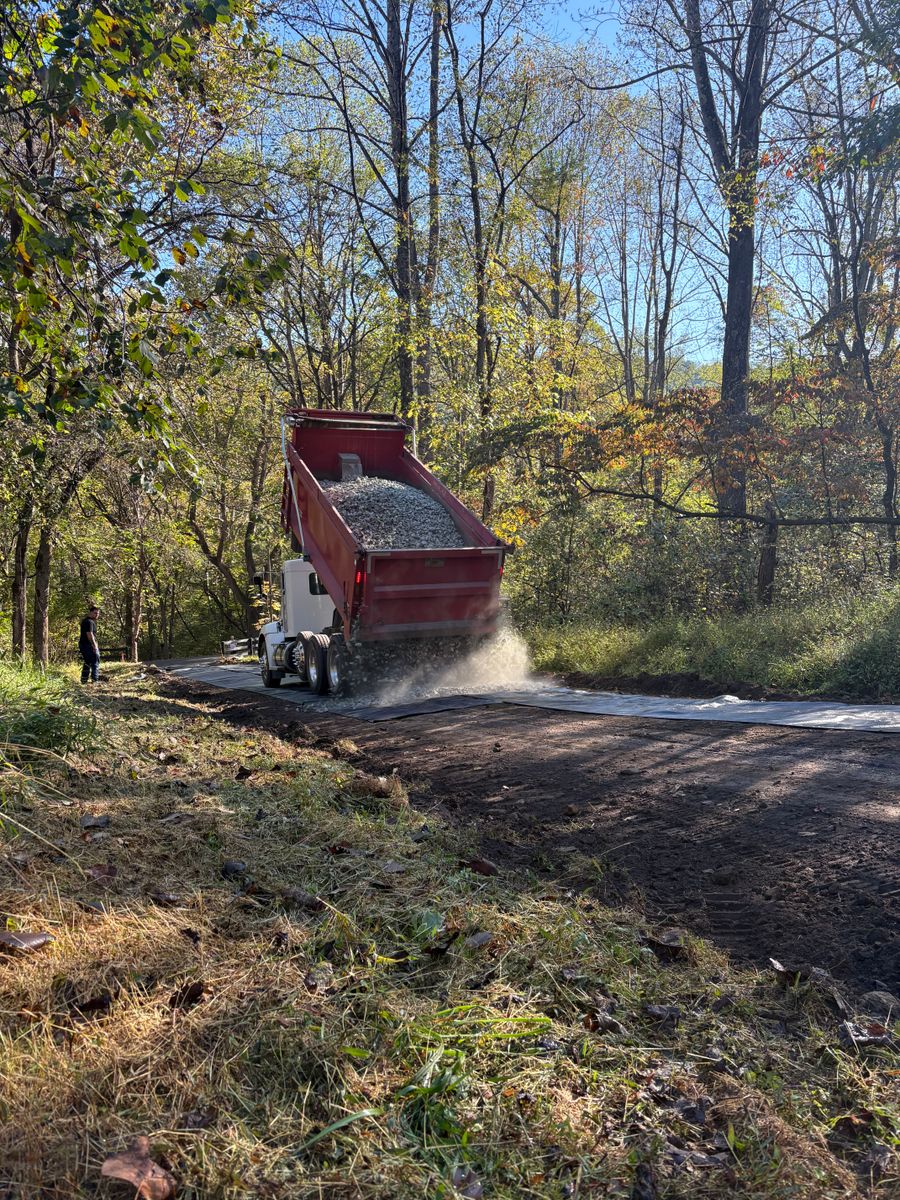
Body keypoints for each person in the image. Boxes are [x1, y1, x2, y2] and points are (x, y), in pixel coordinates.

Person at [79, 604, 101, 683]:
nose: (97, 615)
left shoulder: (87, 621)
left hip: (84, 645)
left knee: (87, 662)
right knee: (95, 661)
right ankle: (95, 680)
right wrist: (94, 646)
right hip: (88, 645)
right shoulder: (89, 622)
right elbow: (89, 634)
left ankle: (84, 680)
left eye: (98, 613)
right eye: (95, 613)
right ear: (90, 613)